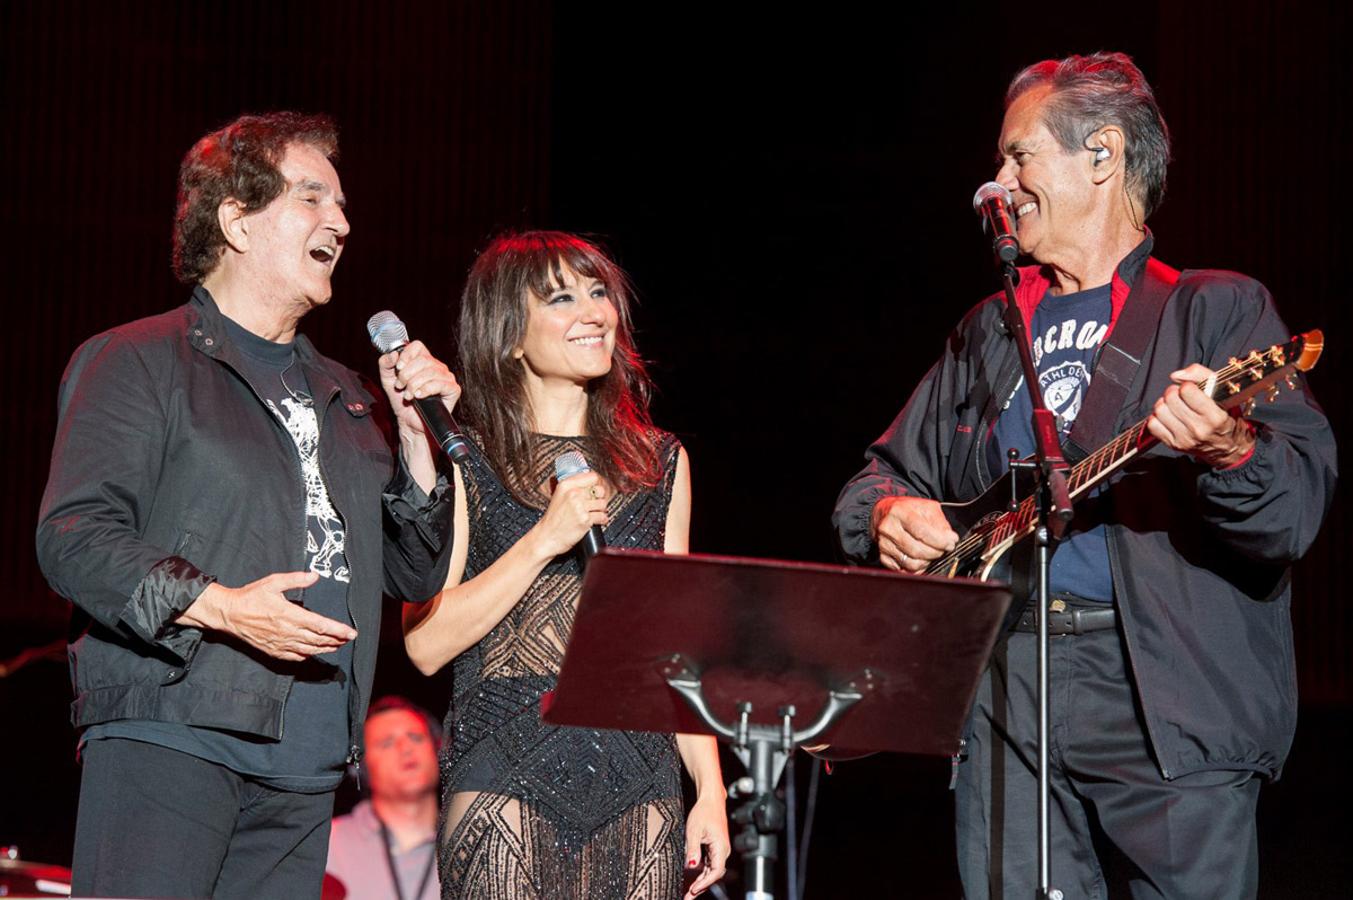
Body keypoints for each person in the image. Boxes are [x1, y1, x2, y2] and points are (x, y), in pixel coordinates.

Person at [833, 53, 1337, 898]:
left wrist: (1226, 448)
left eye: (1018, 156)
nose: (997, 182)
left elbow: (1289, 518)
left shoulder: (1215, 311)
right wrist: (885, 514)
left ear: (1100, 155)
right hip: (1002, 680)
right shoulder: (990, 329)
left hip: (1162, 692)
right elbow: (874, 478)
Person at [36, 112, 459, 899]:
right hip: (173, 726)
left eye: (341, 206)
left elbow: (411, 571)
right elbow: (74, 537)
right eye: (311, 198)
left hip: (307, 752)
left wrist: (411, 439)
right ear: (235, 218)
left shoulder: (348, 393)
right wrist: (219, 606)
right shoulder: (137, 358)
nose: (339, 220)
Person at [402, 231, 730, 899]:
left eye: (597, 292)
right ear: (510, 336)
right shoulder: (467, 458)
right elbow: (426, 645)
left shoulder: (658, 463)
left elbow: (675, 646)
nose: (592, 311)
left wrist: (710, 789)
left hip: (640, 780)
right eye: (560, 297)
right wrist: (543, 538)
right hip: (504, 774)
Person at [328, 696, 443, 900]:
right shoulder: (327, 845)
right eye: (387, 743)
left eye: (416, 737)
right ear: (361, 769)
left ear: (438, 751)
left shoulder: (474, 844)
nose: (406, 748)